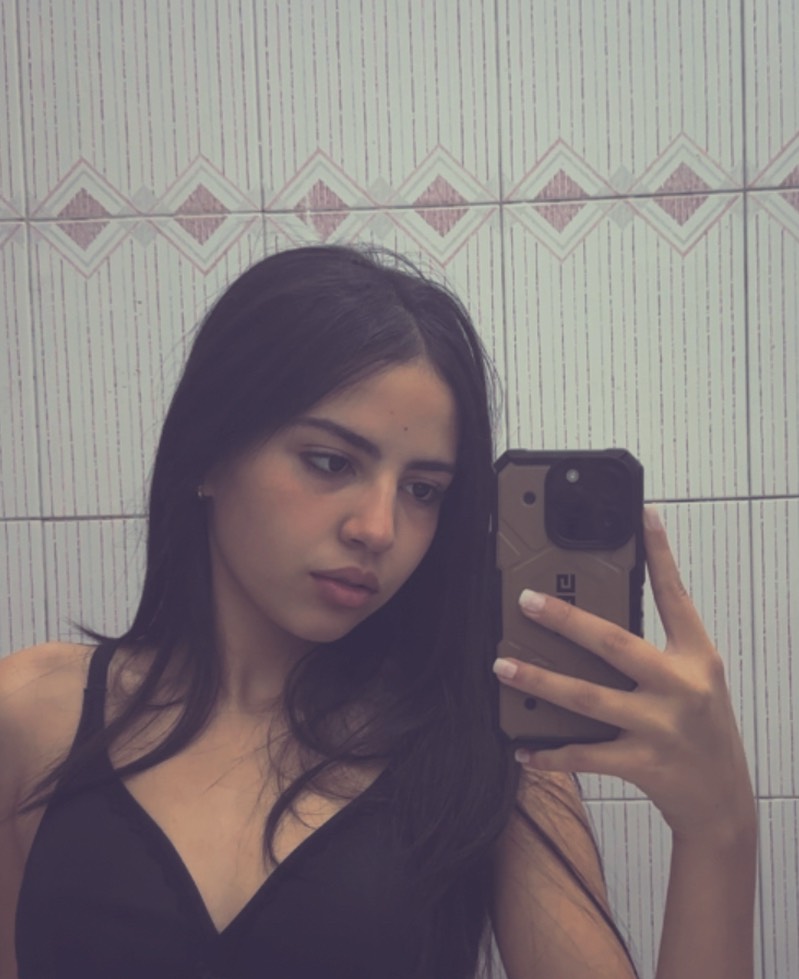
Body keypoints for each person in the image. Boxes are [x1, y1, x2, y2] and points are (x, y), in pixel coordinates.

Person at [0, 244, 756, 979]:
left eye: (422, 490)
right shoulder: (32, 712)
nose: (379, 528)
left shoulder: (484, 747)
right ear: (208, 451)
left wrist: (718, 829)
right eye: (330, 462)